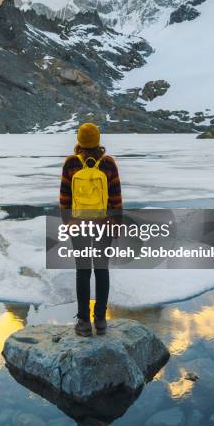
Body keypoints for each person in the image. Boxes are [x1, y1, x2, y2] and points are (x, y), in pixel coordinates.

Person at [60, 123, 122, 337]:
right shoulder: (108, 163)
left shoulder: (70, 164)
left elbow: (65, 198)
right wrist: (116, 224)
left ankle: (84, 323)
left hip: (79, 224)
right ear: (98, 141)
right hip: (104, 224)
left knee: (83, 272)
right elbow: (116, 196)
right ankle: (101, 321)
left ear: (79, 141)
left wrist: (67, 223)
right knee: (101, 270)